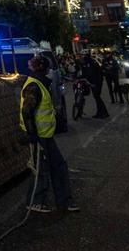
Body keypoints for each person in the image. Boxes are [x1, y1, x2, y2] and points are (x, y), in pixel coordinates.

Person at [21, 55, 79, 214]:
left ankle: (64, 201)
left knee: (58, 166)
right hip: (39, 136)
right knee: (41, 169)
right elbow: (27, 111)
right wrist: (32, 136)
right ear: (45, 69)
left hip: (45, 135)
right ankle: (35, 201)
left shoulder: (40, 84)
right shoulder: (34, 86)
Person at [80, 53, 109, 118]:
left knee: (97, 97)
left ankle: (104, 113)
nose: (81, 58)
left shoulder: (91, 63)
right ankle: (100, 112)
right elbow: (85, 74)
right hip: (94, 82)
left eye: (82, 57)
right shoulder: (88, 63)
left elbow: (93, 74)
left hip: (96, 82)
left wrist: (94, 84)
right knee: (97, 97)